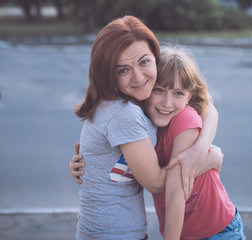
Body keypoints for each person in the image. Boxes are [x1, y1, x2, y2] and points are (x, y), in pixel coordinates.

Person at [71, 15, 221, 240]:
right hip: (112, 233)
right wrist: (210, 159)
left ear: (155, 56)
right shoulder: (124, 112)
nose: (139, 77)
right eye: (123, 70)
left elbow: (206, 104)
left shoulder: (140, 98)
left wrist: (201, 147)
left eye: (144, 62)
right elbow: (156, 182)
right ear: (108, 74)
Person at [146, 45, 245, 240]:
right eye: (159, 90)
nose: (167, 102)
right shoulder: (140, 122)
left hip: (218, 232)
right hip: (185, 232)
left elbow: (176, 188)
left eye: (178, 93)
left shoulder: (186, 119)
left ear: (189, 97)